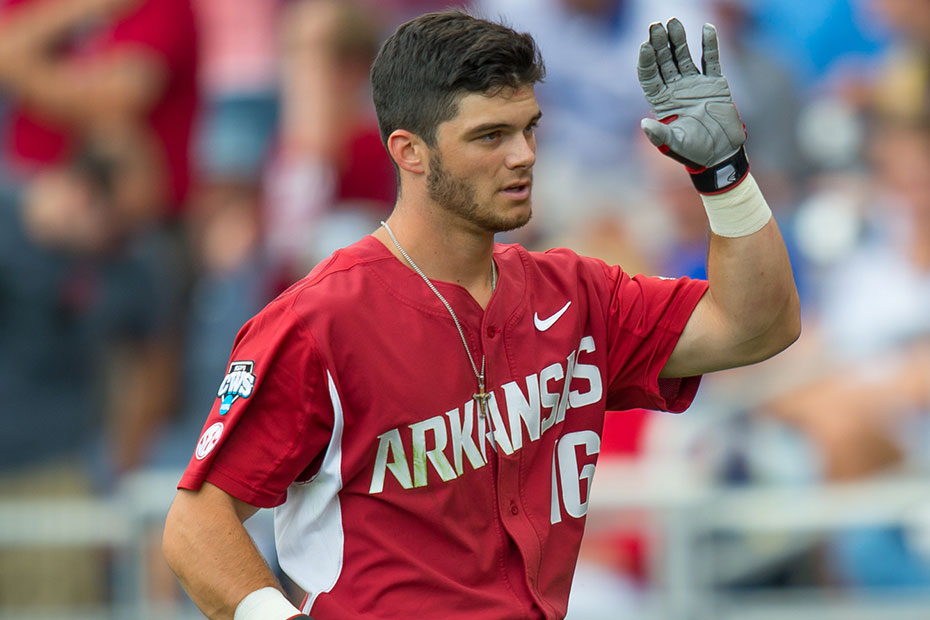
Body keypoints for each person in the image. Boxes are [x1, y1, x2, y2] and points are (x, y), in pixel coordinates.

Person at [162, 12, 800, 620]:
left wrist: (725, 176)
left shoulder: (574, 292)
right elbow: (196, 522)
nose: (523, 155)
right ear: (409, 152)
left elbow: (756, 326)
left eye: (529, 128)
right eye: (490, 136)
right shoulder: (318, 321)